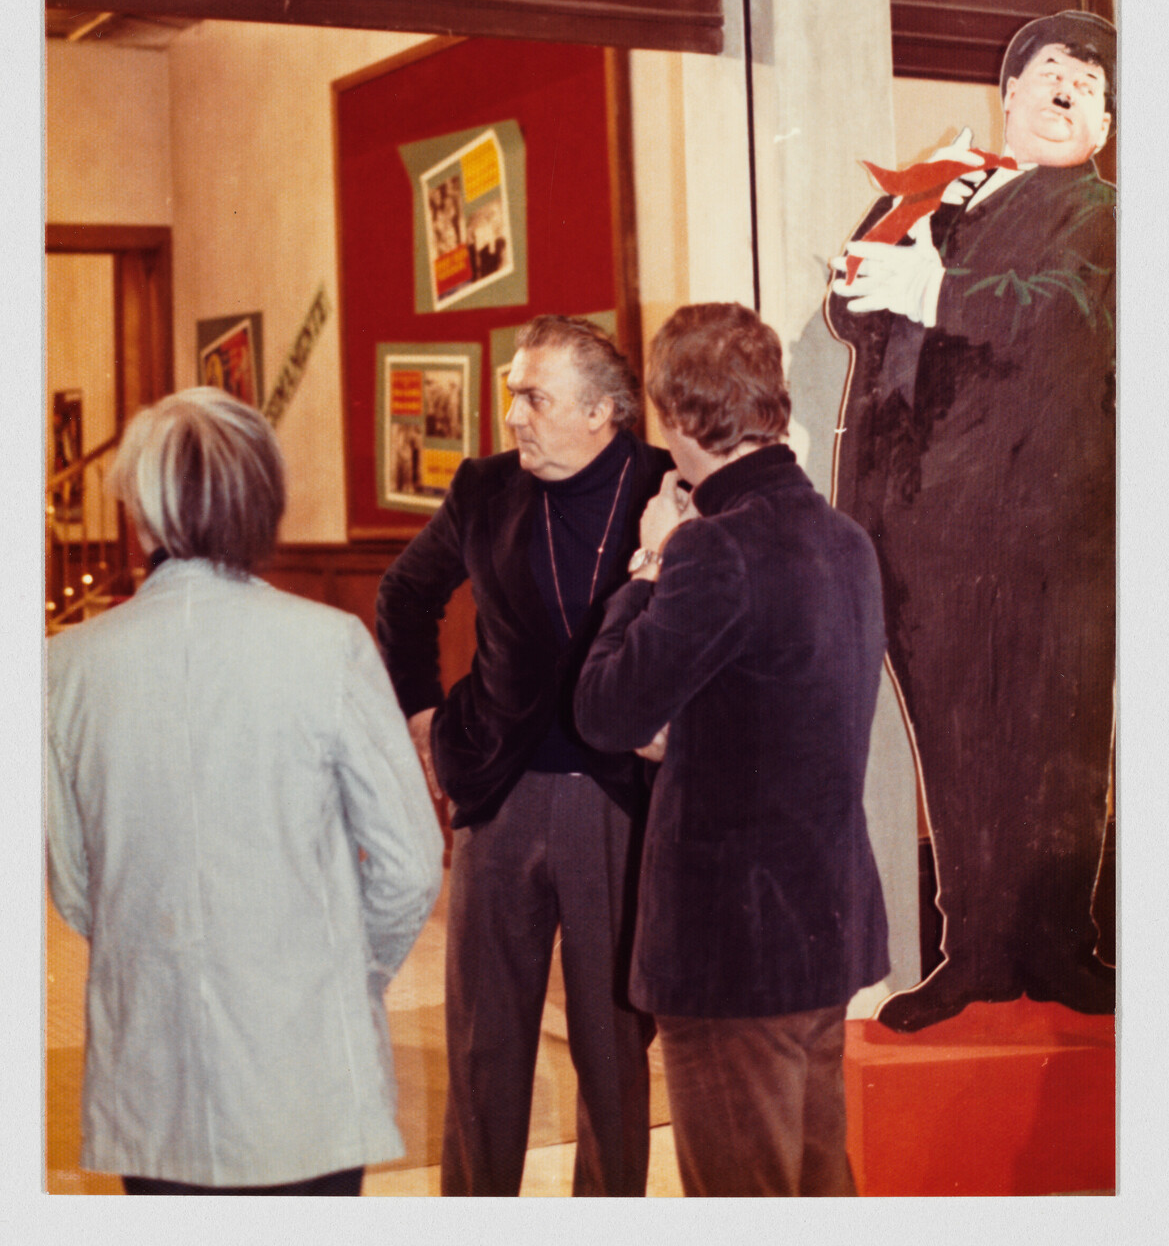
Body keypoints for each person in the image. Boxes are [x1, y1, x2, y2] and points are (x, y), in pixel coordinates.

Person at [46, 388, 444, 1195]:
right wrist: (344, 969)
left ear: (141, 513)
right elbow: (409, 864)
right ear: (261, 503)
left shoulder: (67, 667)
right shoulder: (328, 646)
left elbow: (76, 882)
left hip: (151, 1074)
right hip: (307, 1071)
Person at [827, 11, 1116, 1030]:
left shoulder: (1108, 215)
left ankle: (1062, 947)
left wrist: (935, 286)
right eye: (1046, 69)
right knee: (953, 739)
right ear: (1006, 95)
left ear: (1105, 120)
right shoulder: (943, 194)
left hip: (1050, 534)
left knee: (1057, 735)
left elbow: (1060, 308)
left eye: (1086, 80)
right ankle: (974, 950)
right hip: (915, 530)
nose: (1064, 86)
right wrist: (903, 224)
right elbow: (852, 309)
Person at [576, 303, 889, 1198]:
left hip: (728, 952)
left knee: (744, 1198)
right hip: (820, 931)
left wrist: (647, 565)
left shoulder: (711, 550)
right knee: (816, 1182)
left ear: (674, 415)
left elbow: (604, 710)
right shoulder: (844, 540)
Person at [376, 315, 672, 1196]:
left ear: (601, 412)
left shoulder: (663, 486)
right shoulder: (485, 489)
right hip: (498, 794)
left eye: (532, 396)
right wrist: (423, 715)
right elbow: (404, 593)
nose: (512, 414)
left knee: (612, 1046)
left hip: (617, 800)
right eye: (512, 392)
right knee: (482, 1044)